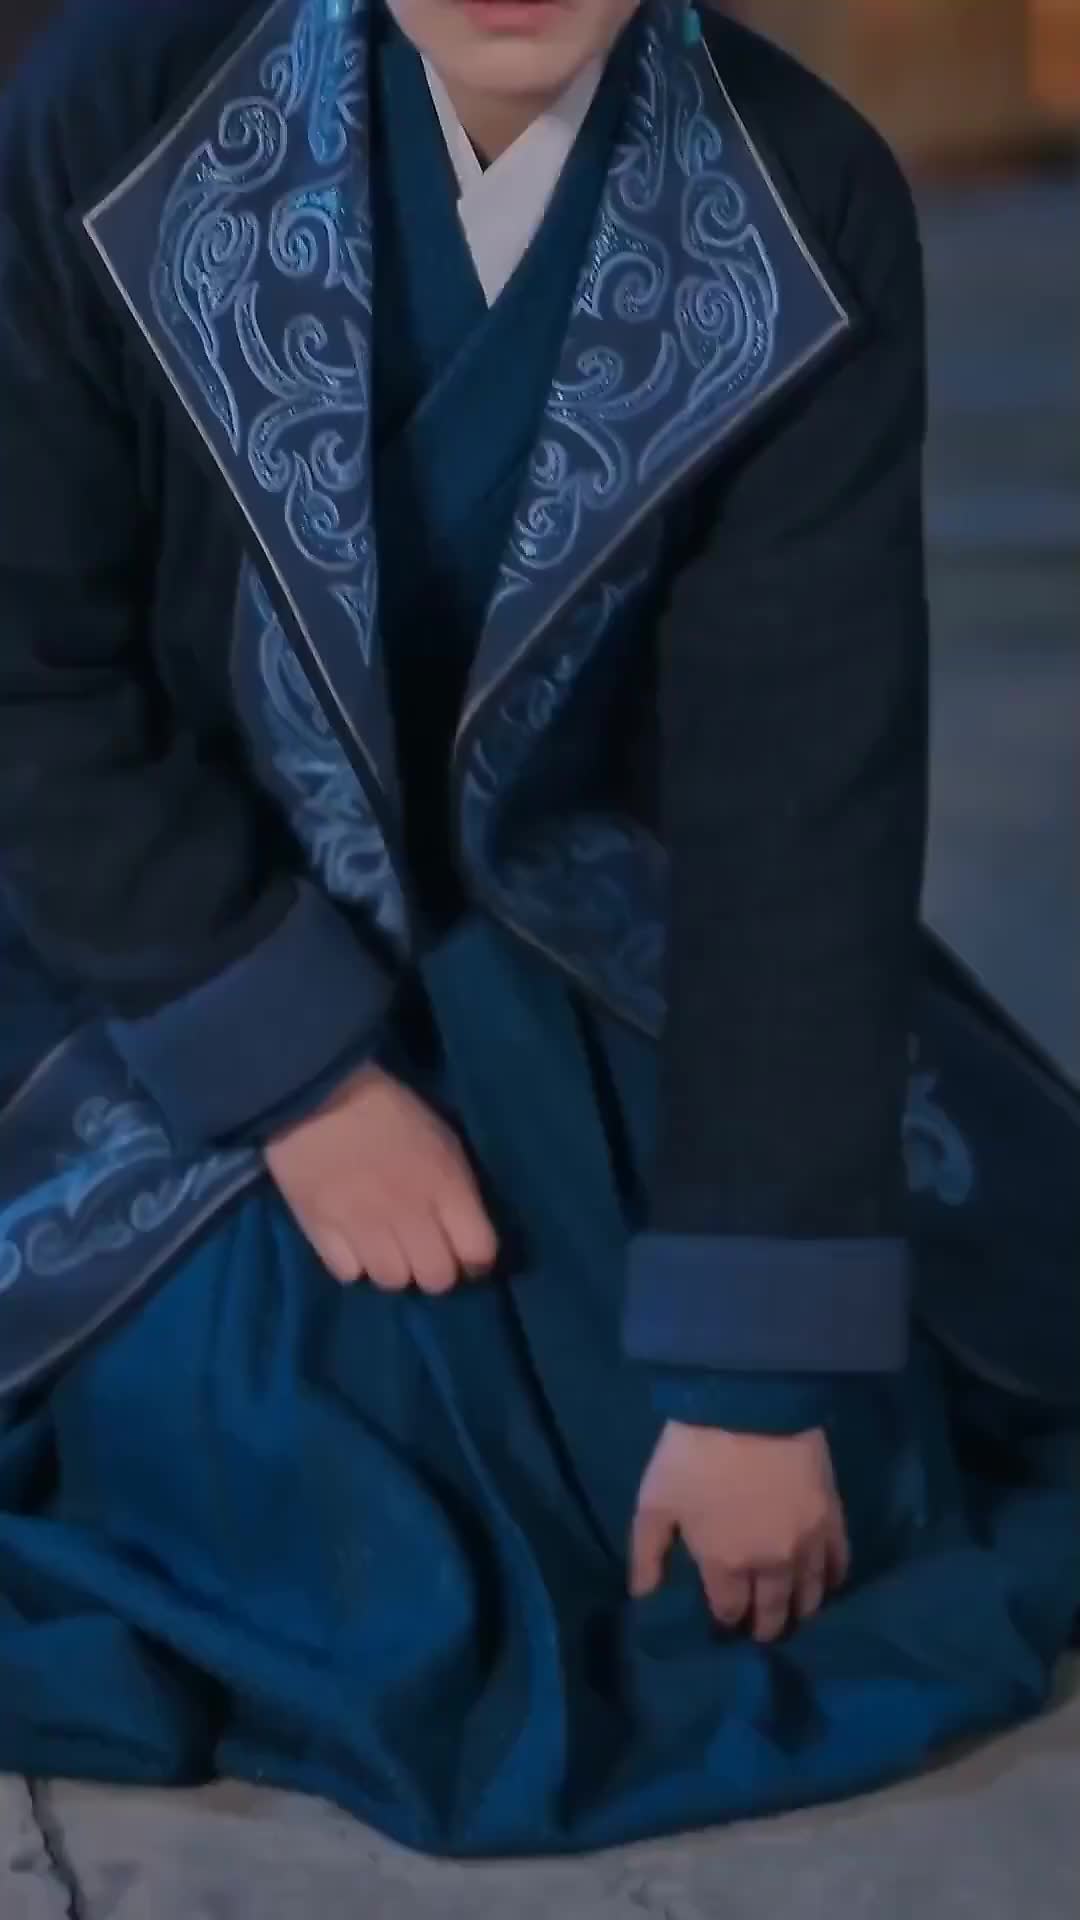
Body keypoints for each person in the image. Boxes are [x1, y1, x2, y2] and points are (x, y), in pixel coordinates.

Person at [0, 0, 1076, 1860]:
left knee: (719, 1483)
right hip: (156, 917)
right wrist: (296, 1077)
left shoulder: (800, 198)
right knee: (292, 1450)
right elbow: (29, 675)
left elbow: (792, 815)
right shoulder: (118, 112)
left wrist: (753, 1377)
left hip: (576, 931)